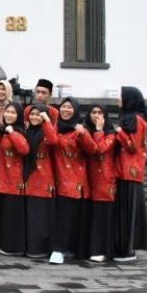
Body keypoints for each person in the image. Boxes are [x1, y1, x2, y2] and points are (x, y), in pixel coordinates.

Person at [49, 97, 96, 264]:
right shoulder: (54, 127)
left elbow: (92, 149)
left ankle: (61, 249)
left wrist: (83, 134)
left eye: (70, 107)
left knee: (69, 217)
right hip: (55, 176)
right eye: (63, 107)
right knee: (60, 216)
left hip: (73, 179)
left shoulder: (79, 129)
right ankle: (58, 248)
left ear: (75, 110)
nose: (66, 110)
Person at [113, 86, 147, 261]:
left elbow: (132, 146)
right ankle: (123, 246)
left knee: (127, 211)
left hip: (129, 172)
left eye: (121, 97)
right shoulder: (134, 118)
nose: (118, 100)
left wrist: (118, 132)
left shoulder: (134, 119)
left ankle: (126, 248)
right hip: (126, 171)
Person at [0, 102, 29, 256]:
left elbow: (24, 150)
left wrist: (12, 133)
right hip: (1, 179)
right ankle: (3, 244)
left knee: (12, 216)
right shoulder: (2, 131)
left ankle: (13, 247)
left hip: (14, 181)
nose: (9, 115)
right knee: (4, 215)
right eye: (7, 112)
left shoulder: (18, 132)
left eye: (13, 113)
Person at [23, 103, 59, 258]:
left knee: (42, 216)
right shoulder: (27, 131)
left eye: (38, 114)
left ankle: (41, 248)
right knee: (31, 216)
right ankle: (31, 247)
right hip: (29, 177)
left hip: (43, 178)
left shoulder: (46, 131)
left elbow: (53, 140)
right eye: (32, 114)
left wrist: (47, 121)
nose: (34, 117)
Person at [86, 104, 118, 262]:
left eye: (100, 113)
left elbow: (100, 148)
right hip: (87, 180)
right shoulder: (85, 131)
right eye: (93, 112)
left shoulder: (110, 134)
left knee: (102, 217)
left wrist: (99, 131)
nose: (96, 115)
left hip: (104, 181)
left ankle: (102, 249)